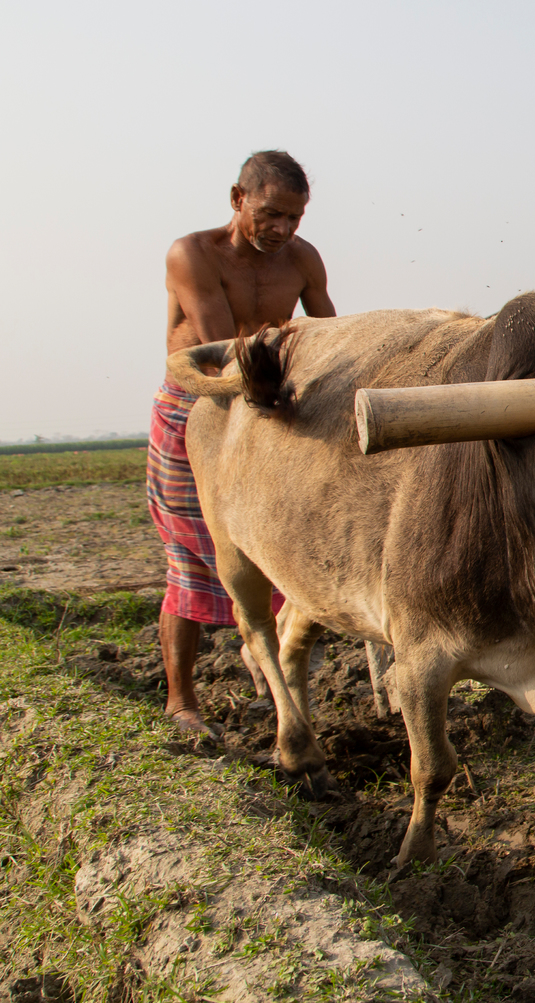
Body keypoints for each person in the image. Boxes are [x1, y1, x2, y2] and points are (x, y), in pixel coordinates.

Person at [149, 150, 334, 735]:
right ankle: (182, 702)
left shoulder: (303, 261)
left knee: (280, 540)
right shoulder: (192, 254)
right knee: (192, 556)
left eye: (294, 219)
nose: (282, 230)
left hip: (271, 407)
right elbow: (220, 347)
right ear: (238, 199)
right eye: (271, 214)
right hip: (200, 404)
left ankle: (269, 656)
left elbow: (330, 332)